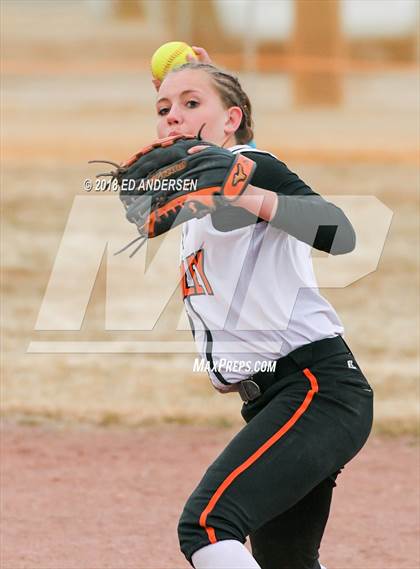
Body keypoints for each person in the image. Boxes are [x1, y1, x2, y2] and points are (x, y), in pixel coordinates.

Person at [151, 61, 373, 569]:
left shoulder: (249, 163)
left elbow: (340, 233)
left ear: (233, 119)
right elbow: (145, 209)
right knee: (287, 561)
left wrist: (247, 196)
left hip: (317, 389)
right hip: (278, 397)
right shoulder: (196, 198)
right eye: (162, 110)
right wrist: (191, 84)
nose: (173, 118)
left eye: (191, 105)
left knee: (207, 525)